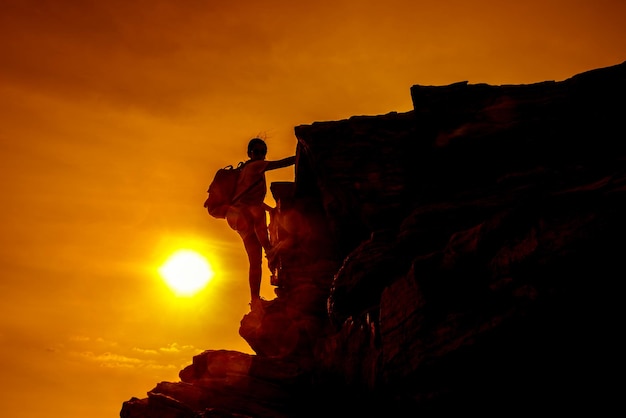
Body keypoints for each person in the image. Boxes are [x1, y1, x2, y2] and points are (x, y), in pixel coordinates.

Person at [225, 137, 295, 308]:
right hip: (245, 216)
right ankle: (270, 252)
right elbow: (282, 163)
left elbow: (247, 198)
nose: (260, 155)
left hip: (236, 216)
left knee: (255, 261)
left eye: (263, 152)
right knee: (263, 248)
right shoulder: (256, 166)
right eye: (257, 152)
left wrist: (269, 209)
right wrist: (301, 154)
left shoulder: (244, 170)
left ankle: (255, 300)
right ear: (249, 153)